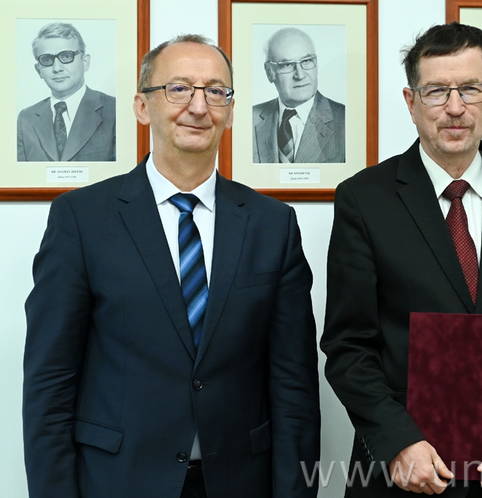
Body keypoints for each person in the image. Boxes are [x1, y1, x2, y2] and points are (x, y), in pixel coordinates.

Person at [23, 34, 321, 498]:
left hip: (241, 482)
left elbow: (294, 387)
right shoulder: (82, 219)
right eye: (178, 89)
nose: (198, 107)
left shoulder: (272, 224)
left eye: (215, 91)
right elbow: (51, 382)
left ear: (231, 110)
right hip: (119, 482)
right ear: (143, 107)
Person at [321, 22, 482, 496]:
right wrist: (398, 442)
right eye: (437, 91)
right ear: (411, 102)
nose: (456, 107)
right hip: (401, 472)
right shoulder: (364, 199)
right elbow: (348, 346)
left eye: (470, 89)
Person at [17, 22, 116, 162]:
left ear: (85, 62)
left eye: (66, 56)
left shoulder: (114, 110)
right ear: (39, 70)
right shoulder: (26, 119)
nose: (57, 68)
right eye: (47, 59)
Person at [252, 27, 346, 163]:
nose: (300, 75)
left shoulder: (345, 121)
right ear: (269, 72)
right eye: (287, 65)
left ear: (316, 64)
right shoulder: (249, 119)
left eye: (306, 61)